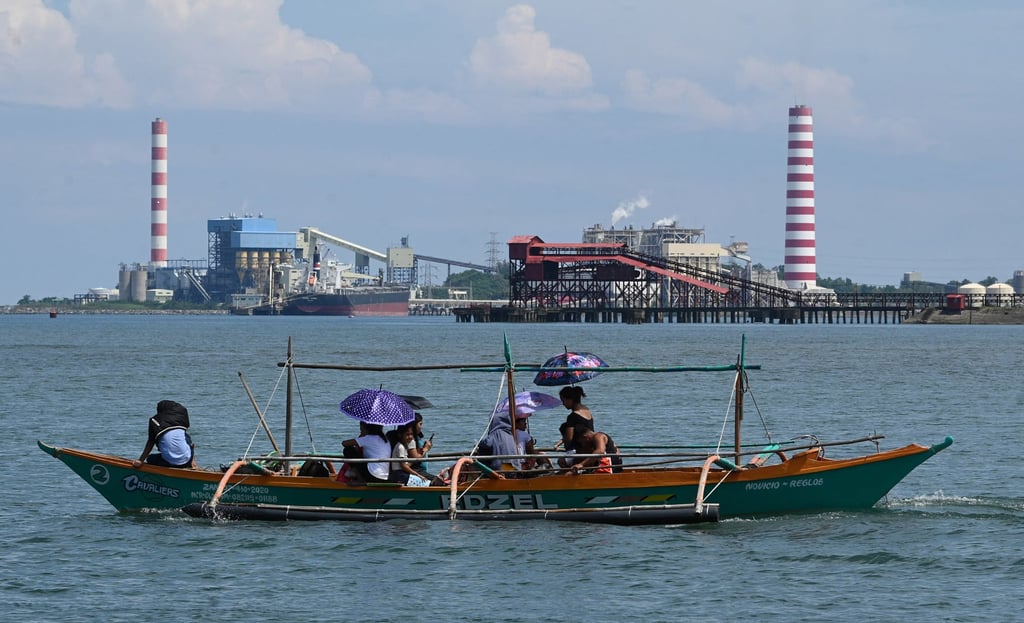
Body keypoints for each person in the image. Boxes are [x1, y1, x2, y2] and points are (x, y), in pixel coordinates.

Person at [132, 400, 197, 469]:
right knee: (186, 436)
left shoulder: (155, 421)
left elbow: (150, 442)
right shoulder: (179, 419)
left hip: (169, 463)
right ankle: (193, 464)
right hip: (187, 460)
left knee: (150, 458)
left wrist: (140, 460)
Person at [481, 409, 550, 471]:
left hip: (504, 468)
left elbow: (487, 444)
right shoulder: (511, 434)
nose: (525, 424)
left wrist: (480, 443)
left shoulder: (496, 433)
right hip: (515, 467)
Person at [557, 386, 594, 466]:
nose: (563, 404)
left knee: (561, 461)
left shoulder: (572, 417)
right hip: (590, 448)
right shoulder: (587, 411)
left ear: (570, 399)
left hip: (579, 450)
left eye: (563, 401)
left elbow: (569, 440)